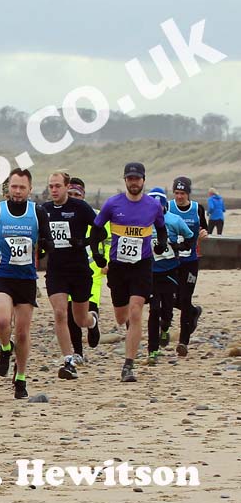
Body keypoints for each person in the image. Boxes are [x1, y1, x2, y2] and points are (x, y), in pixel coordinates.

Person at [0, 168, 53, 399]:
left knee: (23, 334)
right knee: (3, 321)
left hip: (26, 279)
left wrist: (44, 247)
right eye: (13, 186)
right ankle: (5, 349)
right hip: (2, 275)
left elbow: (47, 240)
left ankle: (21, 379)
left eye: (22, 187)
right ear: (8, 188)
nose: (17, 191)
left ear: (30, 190)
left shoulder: (38, 212)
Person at [90, 163, 168, 382]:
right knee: (121, 316)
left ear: (143, 180)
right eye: (130, 179)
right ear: (124, 180)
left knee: (136, 312)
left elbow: (161, 229)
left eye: (137, 179)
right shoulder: (113, 204)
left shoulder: (153, 205)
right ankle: (130, 329)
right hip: (118, 266)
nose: (134, 183)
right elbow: (96, 229)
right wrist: (97, 255)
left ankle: (128, 365)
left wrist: (161, 244)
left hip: (142, 265)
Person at [41, 171, 99, 380]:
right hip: (56, 271)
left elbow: (100, 230)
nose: (54, 190)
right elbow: (36, 235)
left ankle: (93, 322)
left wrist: (84, 242)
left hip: (79, 270)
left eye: (58, 186)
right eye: (51, 186)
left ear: (66, 187)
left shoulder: (81, 208)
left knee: (80, 318)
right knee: (59, 313)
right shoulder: (43, 210)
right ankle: (68, 361)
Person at [146, 188, 194, 365]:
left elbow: (189, 238)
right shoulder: (143, 221)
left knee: (166, 310)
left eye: (159, 206)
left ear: (165, 206)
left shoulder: (174, 220)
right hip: (150, 272)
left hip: (170, 271)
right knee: (154, 309)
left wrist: (178, 247)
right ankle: (153, 350)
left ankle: (165, 328)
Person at [65, 177, 108, 365]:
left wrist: (107, 261)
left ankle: (93, 324)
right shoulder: (62, 215)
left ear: (83, 195)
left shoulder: (96, 216)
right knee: (70, 314)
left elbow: (107, 241)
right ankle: (77, 353)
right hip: (68, 271)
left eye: (77, 194)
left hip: (93, 272)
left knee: (87, 310)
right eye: (71, 194)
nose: (74, 198)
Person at [168, 177, 209, 356]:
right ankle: (193, 312)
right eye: (176, 193)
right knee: (170, 298)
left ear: (188, 193)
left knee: (185, 298)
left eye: (182, 193)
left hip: (191, 261)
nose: (179, 197)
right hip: (170, 261)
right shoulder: (168, 207)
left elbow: (204, 229)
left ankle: (183, 342)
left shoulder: (197, 208)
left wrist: (203, 233)